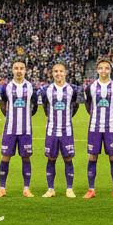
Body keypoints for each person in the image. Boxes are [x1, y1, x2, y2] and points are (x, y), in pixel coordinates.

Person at [0, 60, 38, 198]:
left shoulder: (30, 87)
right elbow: (2, 103)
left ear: (25, 70)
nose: (19, 71)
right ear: (12, 70)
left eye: (21, 68)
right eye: (16, 68)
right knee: (5, 157)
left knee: (26, 158)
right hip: (10, 129)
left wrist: (27, 116)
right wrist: (9, 116)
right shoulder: (6, 87)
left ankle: (26, 188)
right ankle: (2, 188)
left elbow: (35, 105)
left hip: (25, 129)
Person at [84, 58, 113, 199]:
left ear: (110, 70)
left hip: (110, 127)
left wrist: (111, 116)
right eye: (101, 68)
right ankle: (91, 190)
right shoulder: (91, 87)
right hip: (94, 127)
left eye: (106, 68)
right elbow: (88, 104)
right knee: (93, 156)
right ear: (97, 70)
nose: (103, 70)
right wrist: (95, 115)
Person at [40, 62, 80, 199]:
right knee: (51, 158)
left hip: (66, 130)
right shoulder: (46, 90)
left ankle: (69, 189)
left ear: (65, 73)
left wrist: (67, 118)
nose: (58, 74)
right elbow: (45, 106)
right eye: (56, 71)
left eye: (61, 71)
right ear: (52, 73)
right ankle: (50, 189)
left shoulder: (72, 89)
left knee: (68, 158)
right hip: (51, 130)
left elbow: (75, 106)